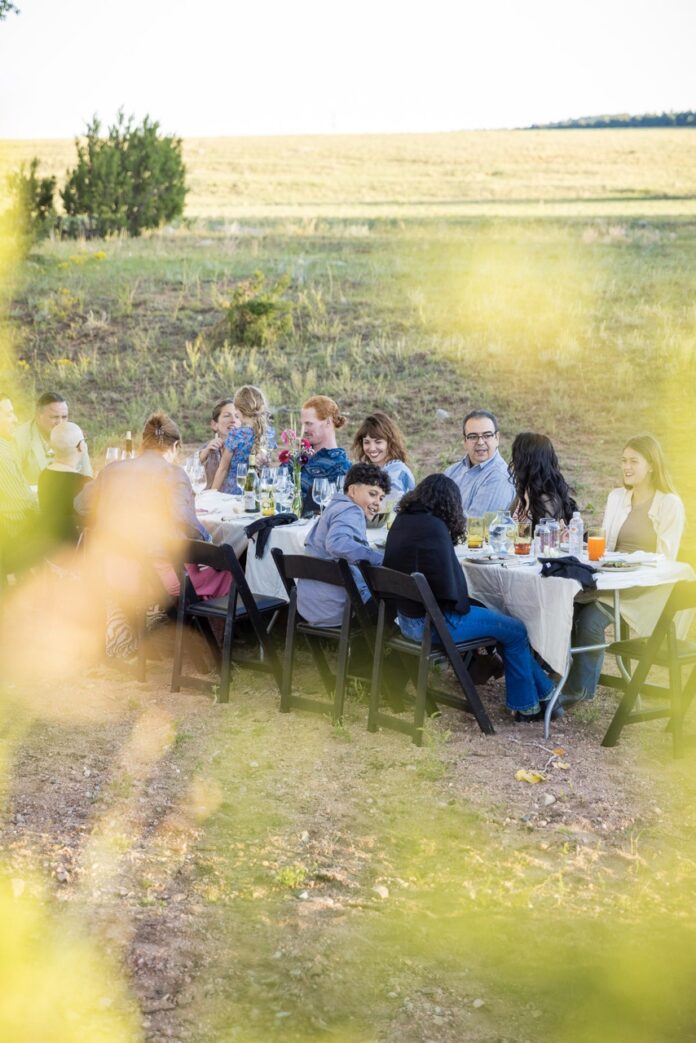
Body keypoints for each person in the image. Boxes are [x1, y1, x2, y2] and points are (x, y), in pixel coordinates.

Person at [384, 473, 556, 720]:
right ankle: (526, 707)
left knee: (500, 626)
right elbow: (451, 591)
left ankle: (548, 694)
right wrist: (472, 603)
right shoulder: (435, 528)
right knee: (515, 630)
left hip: (407, 621)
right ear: (449, 503)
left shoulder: (403, 519)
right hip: (433, 626)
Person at [76, 412, 230, 657]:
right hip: (156, 580)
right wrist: (209, 540)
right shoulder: (174, 474)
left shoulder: (112, 470)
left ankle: (141, 629)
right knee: (225, 569)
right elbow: (187, 524)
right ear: (176, 446)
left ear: (142, 442)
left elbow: (81, 505)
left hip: (112, 569)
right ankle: (211, 648)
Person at [563, 434, 685, 705]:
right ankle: (569, 679)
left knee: (592, 620)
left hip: (643, 588)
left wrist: (627, 565)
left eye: (633, 461)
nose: (626, 467)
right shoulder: (617, 497)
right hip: (610, 580)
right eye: (623, 461)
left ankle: (582, 690)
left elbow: (665, 560)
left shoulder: (669, 504)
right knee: (568, 606)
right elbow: (604, 544)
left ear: (651, 465)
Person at [296, 463, 389, 628]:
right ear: (352, 491)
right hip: (339, 608)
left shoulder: (335, 507)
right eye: (373, 494)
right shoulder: (351, 510)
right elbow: (338, 543)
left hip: (311, 606)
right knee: (396, 603)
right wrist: (381, 559)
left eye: (381, 498)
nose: (378, 503)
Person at [444, 409, 514, 517]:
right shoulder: (451, 471)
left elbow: (477, 526)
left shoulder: (499, 477)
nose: (480, 442)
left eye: (487, 435)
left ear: (497, 438)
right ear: (465, 441)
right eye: (473, 436)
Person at [15, 391, 93, 484]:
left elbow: (87, 478)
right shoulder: (18, 439)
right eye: (54, 417)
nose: (60, 422)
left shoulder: (75, 436)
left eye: (64, 417)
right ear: (38, 416)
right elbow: (13, 483)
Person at [0, 393, 40, 574]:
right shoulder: (2, 454)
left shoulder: (7, 446)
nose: (15, 419)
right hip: (12, 537)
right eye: (8, 414)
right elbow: (22, 503)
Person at [211, 385, 275, 493]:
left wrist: (211, 494)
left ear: (239, 411)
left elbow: (223, 469)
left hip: (235, 495)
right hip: (260, 492)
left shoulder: (235, 435)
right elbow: (267, 463)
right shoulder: (269, 433)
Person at [508, 432, 578, 530]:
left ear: (526, 462)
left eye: (516, 456)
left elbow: (545, 541)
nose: (513, 461)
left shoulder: (547, 501)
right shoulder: (524, 493)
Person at [37, 421, 91, 549]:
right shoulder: (83, 482)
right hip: (74, 549)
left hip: (49, 544)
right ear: (81, 446)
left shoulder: (44, 475)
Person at [299, 395, 351, 515]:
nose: (304, 429)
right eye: (303, 424)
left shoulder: (340, 466)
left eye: (309, 424)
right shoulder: (299, 454)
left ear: (328, 421)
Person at [351, 411, 415, 497]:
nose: (372, 448)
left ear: (390, 442)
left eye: (378, 442)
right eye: (366, 442)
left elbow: (387, 508)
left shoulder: (398, 472)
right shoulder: (369, 472)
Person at [198, 398, 238, 489]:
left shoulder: (246, 449)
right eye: (227, 415)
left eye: (237, 416)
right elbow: (188, 471)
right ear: (214, 424)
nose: (233, 420)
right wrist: (204, 453)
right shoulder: (207, 448)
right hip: (210, 500)